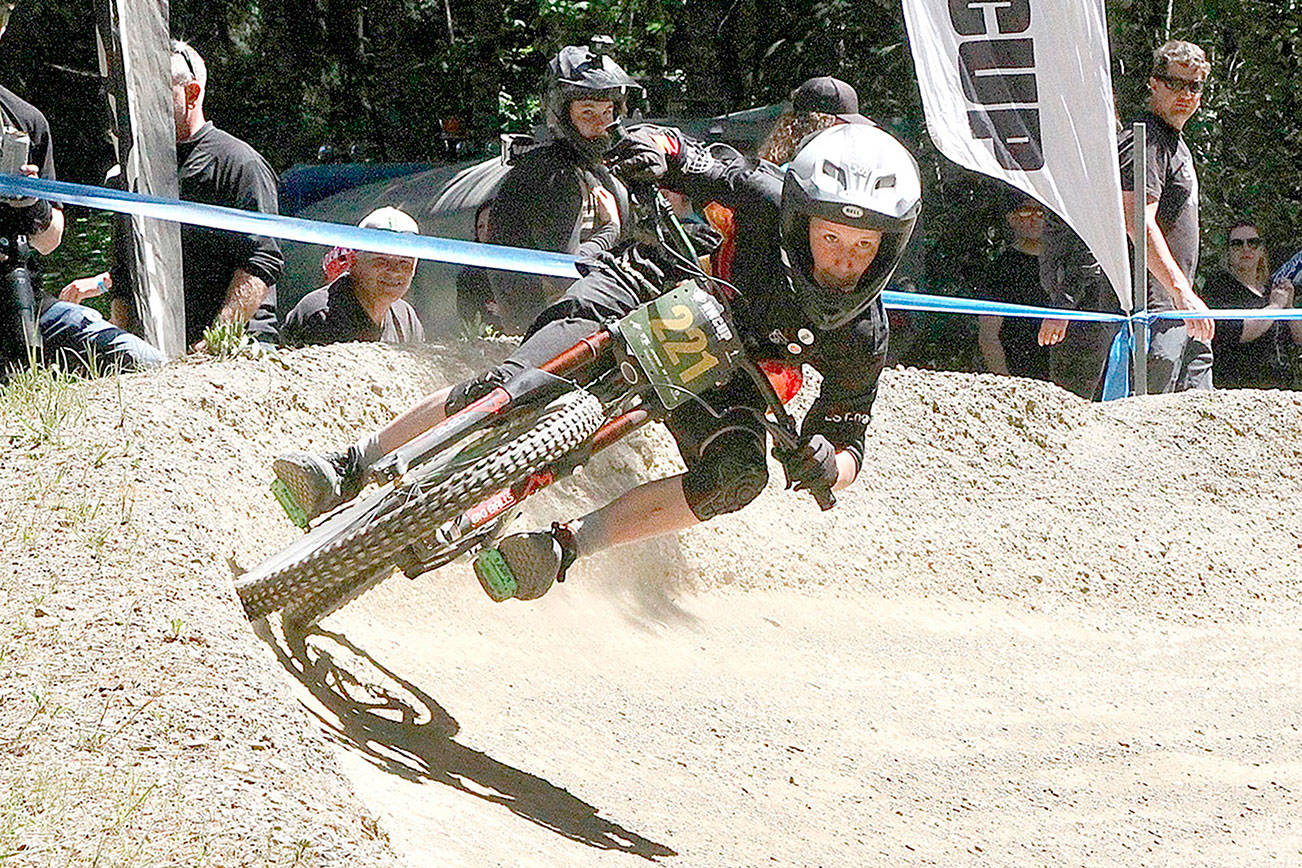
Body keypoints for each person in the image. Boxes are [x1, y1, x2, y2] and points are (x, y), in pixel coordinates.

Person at [271, 122, 920, 602]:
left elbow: (848, 430)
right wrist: (650, 147)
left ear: (888, 247)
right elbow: (689, 156)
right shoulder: (761, 192)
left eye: (862, 246)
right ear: (798, 217)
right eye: (830, 236)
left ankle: (565, 545)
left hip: (731, 373)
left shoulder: (862, 336)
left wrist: (829, 466)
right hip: (657, 281)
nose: (841, 259)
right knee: (518, 382)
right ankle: (350, 464)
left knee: (736, 476)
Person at [67, 41, 284, 350]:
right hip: (158, 350)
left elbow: (260, 263)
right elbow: (126, 270)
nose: (144, 105)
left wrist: (214, 343)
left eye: (157, 93)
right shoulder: (138, 170)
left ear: (192, 94)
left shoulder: (240, 164)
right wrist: (122, 343)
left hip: (239, 347)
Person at [1039, 40, 1215, 397]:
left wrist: (1184, 298)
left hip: (1174, 314)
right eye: (1175, 83)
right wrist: (1182, 293)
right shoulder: (1144, 140)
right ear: (1153, 82)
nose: (1185, 94)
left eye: (1194, 86)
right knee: (1143, 428)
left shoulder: (1171, 142)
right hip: (1146, 314)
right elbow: (1137, 222)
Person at [0, 2, 162, 373]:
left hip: (18, 297)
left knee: (143, 360)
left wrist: (32, 203)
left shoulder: (25, 121)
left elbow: (50, 240)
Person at [486, 40, 638, 332]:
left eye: (608, 113)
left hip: (570, 326)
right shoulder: (552, 174)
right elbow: (564, 272)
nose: (601, 124)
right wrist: (610, 231)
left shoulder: (593, 169)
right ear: (563, 114)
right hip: (546, 336)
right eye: (588, 114)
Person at [282, 206, 425, 346]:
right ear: (354, 261)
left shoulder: (406, 317)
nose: (394, 271)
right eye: (381, 261)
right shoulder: (322, 315)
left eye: (404, 263)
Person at [1204, 220, 1300, 389]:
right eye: (1237, 244)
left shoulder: (1272, 288)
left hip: (1282, 389)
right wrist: (1276, 308)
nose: (1246, 249)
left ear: (1261, 250)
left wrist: (1289, 307)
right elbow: (1239, 332)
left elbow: (1299, 338)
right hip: (1237, 388)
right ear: (1227, 251)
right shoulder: (1218, 286)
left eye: (1253, 243)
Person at [976, 195, 1050, 380]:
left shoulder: (1067, 267)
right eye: (1025, 212)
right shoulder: (1000, 270)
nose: (1034, 219)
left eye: (1040, 212)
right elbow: (988, 336)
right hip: (1020, 373)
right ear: (1012, 219)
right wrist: (1006, 384)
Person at [454, 200, 504, 331]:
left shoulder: (527, 264)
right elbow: (469, 322)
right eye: (481, 226)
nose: (487, 231)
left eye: (492, 224)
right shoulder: (469, 277)